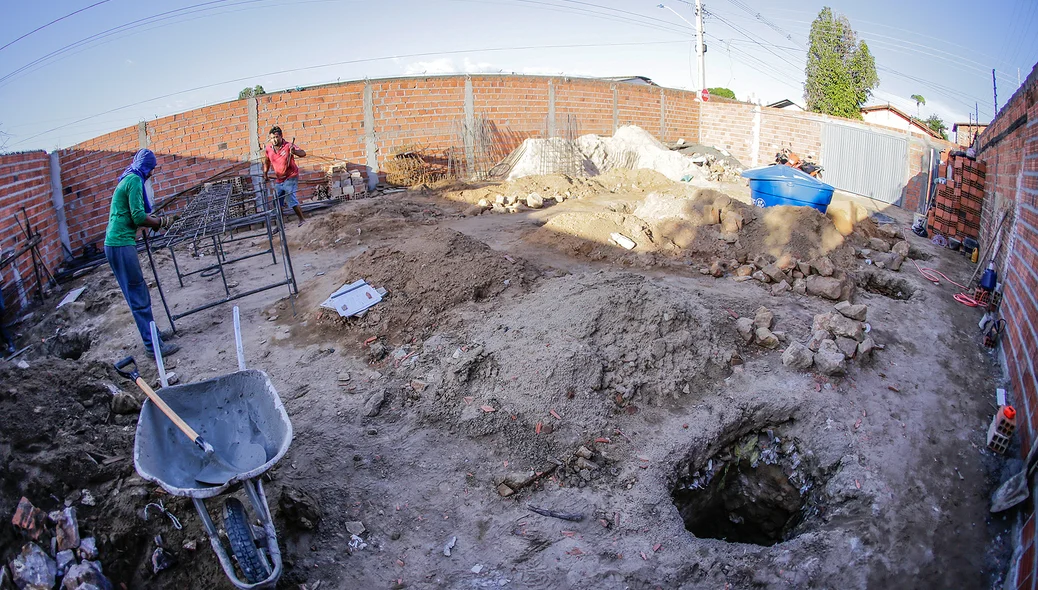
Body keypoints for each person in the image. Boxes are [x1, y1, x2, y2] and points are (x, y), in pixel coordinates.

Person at [104, 149, 179, 357]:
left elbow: (135, 213)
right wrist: (160, 222)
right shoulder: (134, 181)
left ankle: (153, 334)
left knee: (138, 292)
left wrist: (152, 221)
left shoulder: (129, 177)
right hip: (120, 244)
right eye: (152, 168)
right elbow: (138, 217)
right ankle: (152, 346)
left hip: (118, 242)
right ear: (145, 166)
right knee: (137, 293)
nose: (152, 173)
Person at [262, 126, 307, 226]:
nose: (274, 140)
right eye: (272, 138)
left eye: (276, 137)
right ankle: (280, 225)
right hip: (279, 179)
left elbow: (303, 153)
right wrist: (265, 174)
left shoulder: (288, 146)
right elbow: (267, 161)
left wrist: (294, 152)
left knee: (290, 196)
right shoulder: (269, 148)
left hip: (291, 176)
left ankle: (302, 219)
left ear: (281, 136)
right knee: (277, 201)